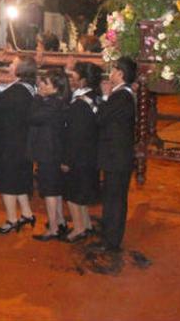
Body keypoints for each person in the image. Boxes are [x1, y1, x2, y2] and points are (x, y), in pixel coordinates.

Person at [0, 55, 37, 234]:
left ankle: (11, 219)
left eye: (13, 64)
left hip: (11, 144)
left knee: (8, 182)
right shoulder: (29, 88)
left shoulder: (17, 92)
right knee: (19, 180)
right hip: (23, 142)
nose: (9, 66)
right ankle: (26, 213)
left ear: (21, 69)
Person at [96, 56, 137, 252]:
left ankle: (111, 240)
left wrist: (105, 96)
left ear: (120, 73)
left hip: (117, 156)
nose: (110, 74)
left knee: (115, 199)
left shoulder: (121, 96)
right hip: (117, 155)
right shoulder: (122, 94)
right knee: (113, 197)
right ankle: (108, 235)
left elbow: (102, 118)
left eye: (113, 70)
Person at [62, 61, 102, 242]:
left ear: (83, 79)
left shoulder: (80, 104)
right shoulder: (96, 97)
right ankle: (85, 224)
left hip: (79, 155)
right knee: (83, 192)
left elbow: (73, 136)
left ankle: (78, 228)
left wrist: (66, 159)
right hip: (91, 152)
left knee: (74, 194)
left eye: (76, 74)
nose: (73, 76)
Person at [29, 68, 69, 241]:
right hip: (54, 151)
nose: (41, 85)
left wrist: (37, 97)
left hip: (49, 152)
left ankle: (53, 227)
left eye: (45, 83)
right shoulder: (59, 102)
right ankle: (60, 221)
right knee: (55, 189)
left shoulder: (51, 105)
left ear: (55, 88)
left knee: (49, 191)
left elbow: (32, 116)